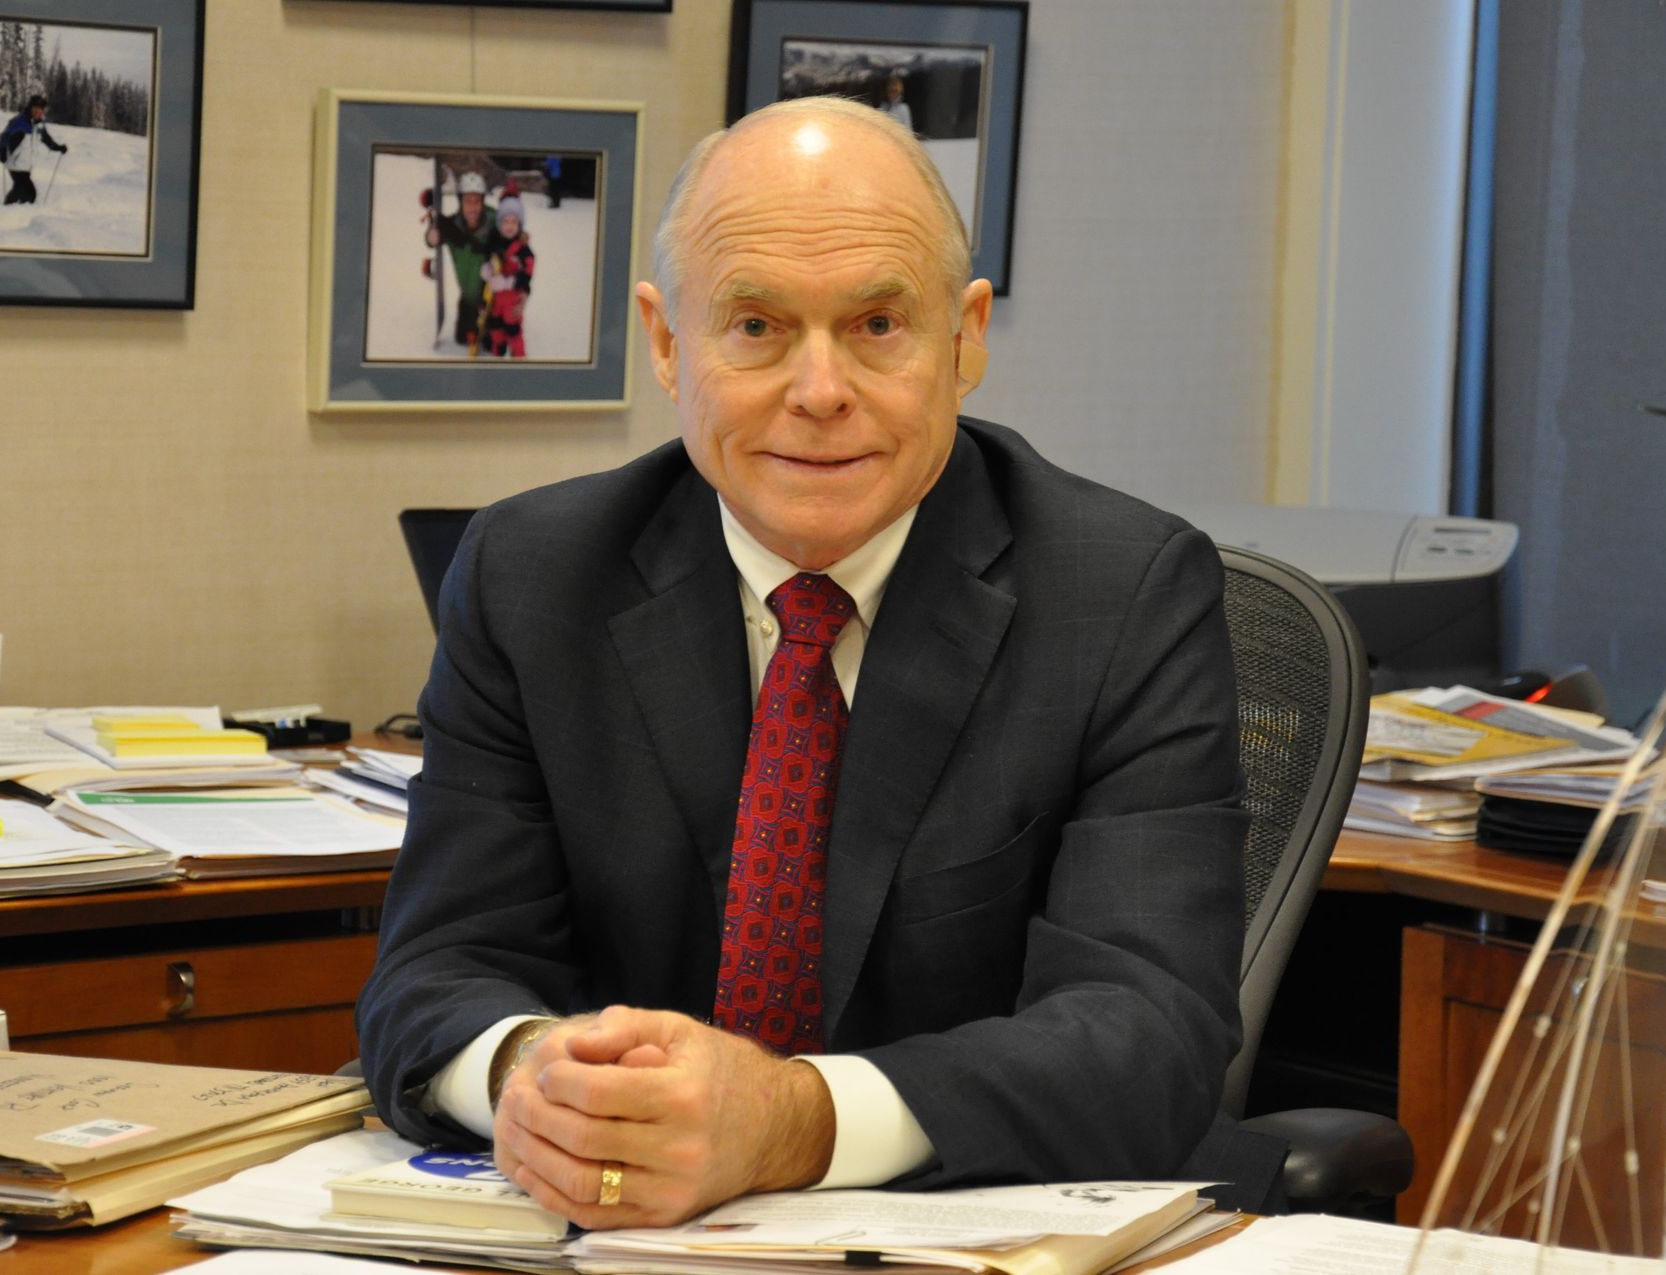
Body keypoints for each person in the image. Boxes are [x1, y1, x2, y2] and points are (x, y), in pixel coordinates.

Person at [359, 95, 1279, 1233]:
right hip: (630, 1240)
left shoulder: (1122, 593)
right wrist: (539, 1077)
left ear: (967, 336)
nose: (821, 390)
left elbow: (1146, 1040)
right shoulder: (534, 575)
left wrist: (788, 1121)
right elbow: (432, 976)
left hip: (979, 1238)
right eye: (754, 325)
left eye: (879, 323)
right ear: (663, 339)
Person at [427, 172, 498, 353]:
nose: (473, 207)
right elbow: (434, 234)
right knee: (462, 339)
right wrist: (430, 237)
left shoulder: (495, 222)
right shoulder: (453, 227)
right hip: (468, 299)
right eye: (468, 201)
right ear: (460, 202)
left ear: (483, 202)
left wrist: (520, 236)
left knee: (492, 345)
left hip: (492, 301)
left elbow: (513, 227)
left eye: (477, 201)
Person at [484, 192, 535, 358]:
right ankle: (497, 352)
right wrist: (487, 270)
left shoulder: (523, 250)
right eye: (505, 221)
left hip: (513, 301)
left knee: (513, 329)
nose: (509, 226)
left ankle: (518, 356)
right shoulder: (495, 243)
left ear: (519, 224)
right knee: (496, 327)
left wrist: (508, 283)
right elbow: (490, 261)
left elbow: (527, 274)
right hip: (496, 300)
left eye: (514, 221)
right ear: (499, 224)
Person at [0, 94, 66, 206]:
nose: (38, 112)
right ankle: (7, 209)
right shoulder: (20, 121)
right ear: (30, 107)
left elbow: (47, 140)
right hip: (15, 163)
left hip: (26, 165)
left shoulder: (39, 125)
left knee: (24, 191)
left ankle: (15, 209)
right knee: (28, 191)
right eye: (35, 108)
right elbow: (5, 136)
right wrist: (2, 151)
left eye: (41, 109)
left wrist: (58, 148)